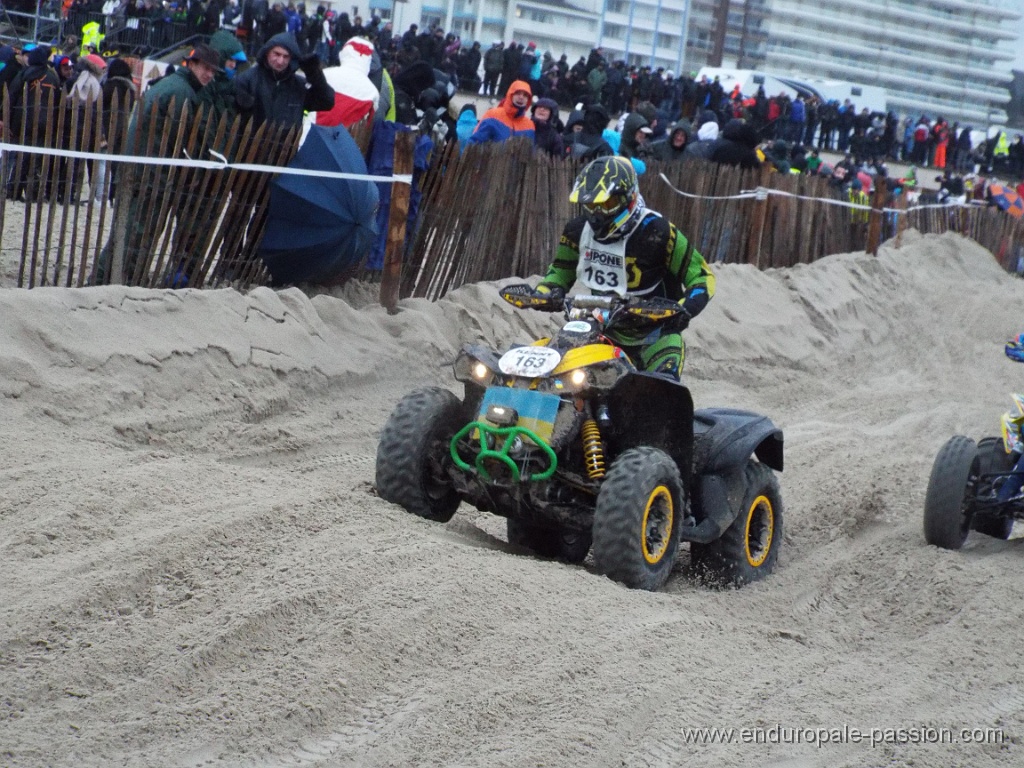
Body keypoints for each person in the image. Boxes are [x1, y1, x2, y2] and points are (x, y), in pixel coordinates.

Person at [526, 156, 715, 378]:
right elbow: (560, 272)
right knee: (559, 376)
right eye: (591, 206)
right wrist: (546, 292)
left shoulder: (659, 232)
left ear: (629, 198)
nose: (598, 215)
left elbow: (703, 277)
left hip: (656, 336)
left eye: (606, 205)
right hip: (600, 330)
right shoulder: (577, 231)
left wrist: (684, 310)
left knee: (662, 394)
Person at [233, 31, 334, 128]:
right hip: (251, 143)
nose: (280, 61)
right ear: (267, 52)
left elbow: (326, 102)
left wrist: (315, 74)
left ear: (291, 59)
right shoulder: (248, 80)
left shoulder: (299, 86)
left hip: (286, 144)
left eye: (286, 57)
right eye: (276, 54)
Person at [466, 79, 534, 146]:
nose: (521, 97)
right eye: (518, 93)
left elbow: (530, 152)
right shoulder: (493, 115)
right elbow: (474, 142)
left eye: (525, 95)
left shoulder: (529, 125)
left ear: (528, 100)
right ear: (510, 95)